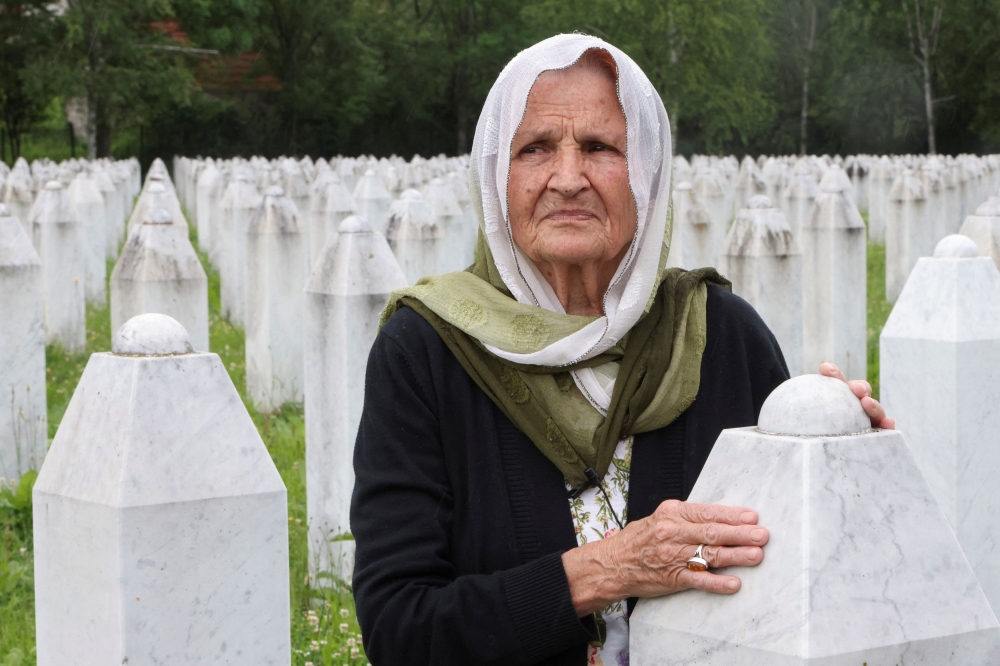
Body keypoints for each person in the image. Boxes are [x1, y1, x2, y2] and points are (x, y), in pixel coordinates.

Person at [350, 34, 893, 666]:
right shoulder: (425, 352)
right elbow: (399, 629)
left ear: (648, 174)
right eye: (536, 149)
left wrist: (845, 462)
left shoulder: (721, 334)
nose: (568, 178)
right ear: (497, 175)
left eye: (601, 148)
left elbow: (802, 569)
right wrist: (604, 571)